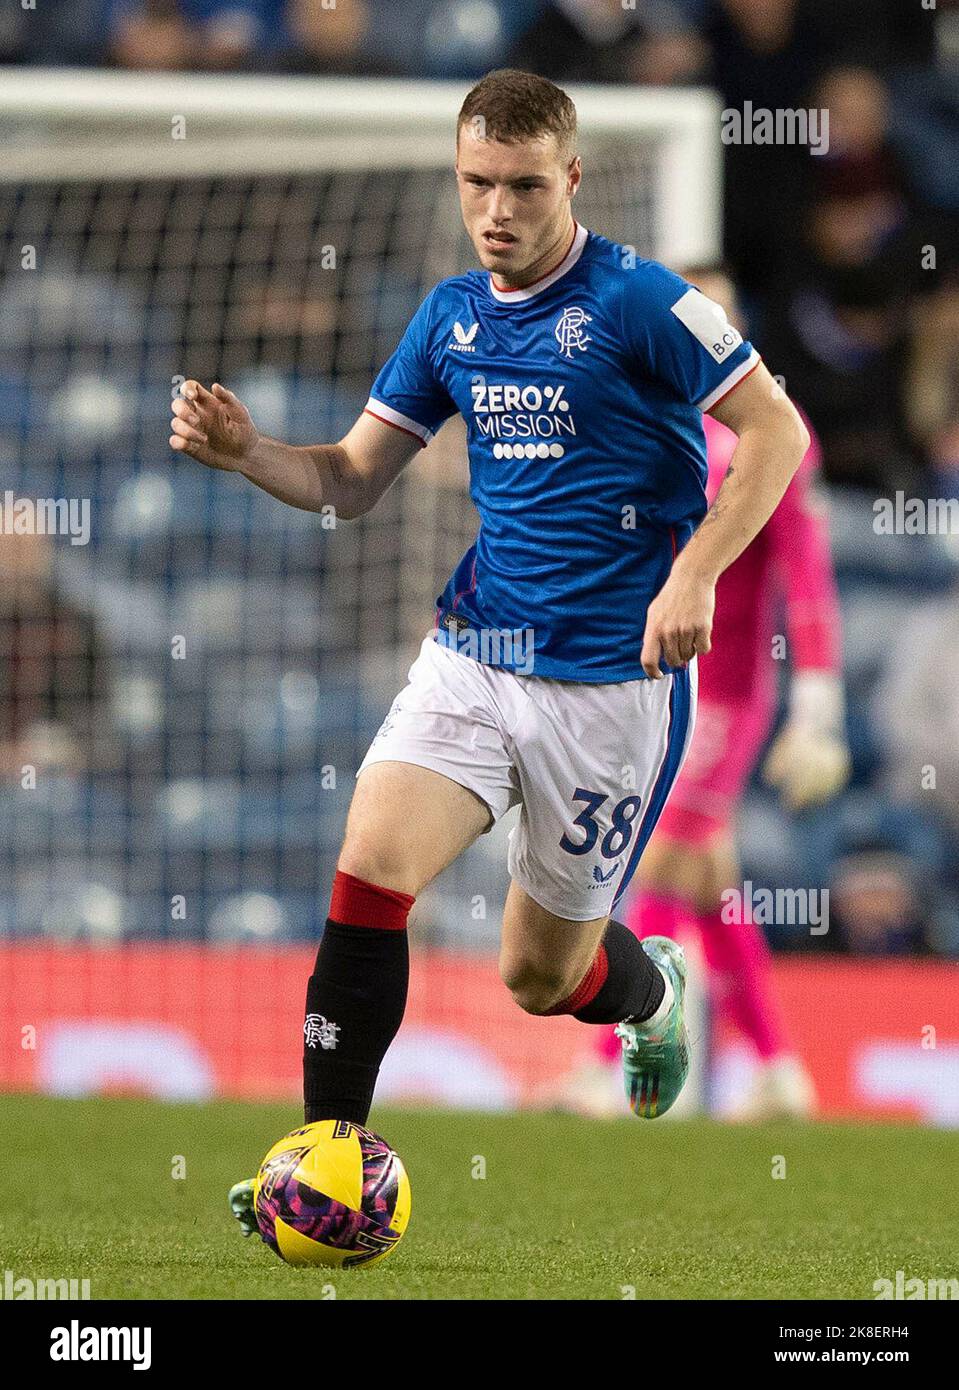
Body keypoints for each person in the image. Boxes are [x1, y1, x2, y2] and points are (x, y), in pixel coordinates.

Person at [167, 69, 810, 1234]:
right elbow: (352, 479)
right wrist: (253, 452)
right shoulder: (449, 316)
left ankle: (648, 988)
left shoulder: (642, 303)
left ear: (569, 177)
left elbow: (777, 430)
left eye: (521, 185)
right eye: (476, 185)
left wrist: (694, 570)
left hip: (608, 692)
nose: (497, 209)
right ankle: (323, 1164)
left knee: (538, 977)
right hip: (473, 654)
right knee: (368, 869)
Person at [553, 267, 850, 1121]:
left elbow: (806, 573)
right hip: (635, 684)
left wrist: (817, 707)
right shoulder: (633, 424)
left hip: (722, 693)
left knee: (654, 860)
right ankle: (776, 1068)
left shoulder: (771, 434)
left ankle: (605, 1064)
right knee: (706, 878)